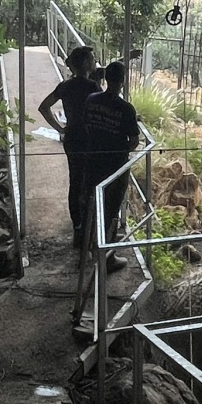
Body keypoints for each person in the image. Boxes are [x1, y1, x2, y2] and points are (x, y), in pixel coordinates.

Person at [38, 46, 101, 247]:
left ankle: (77, 225)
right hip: (89, 138)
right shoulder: (93, 87)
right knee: (89, 181)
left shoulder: (65, 86)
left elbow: (44, 106)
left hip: (72, 137)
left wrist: (61, 129)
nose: (94, 61)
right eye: (91, 58)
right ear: (84, 63)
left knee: (75, 180)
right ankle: (88, 226)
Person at [80, 61, 139, 271]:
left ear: (106, 79)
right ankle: (107, 257)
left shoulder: (92, 99)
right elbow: (133, 141)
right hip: (114, 166)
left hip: (92, 160)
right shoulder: (126, 109)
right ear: (122, 81)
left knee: (90, 205)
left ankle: (85, 249)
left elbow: (87, 125)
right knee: (111, 210)